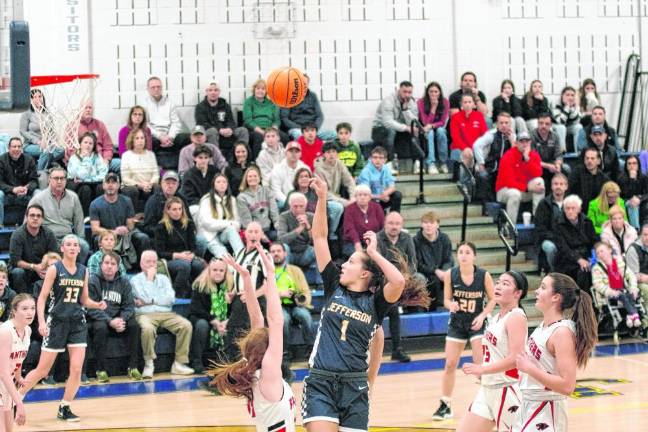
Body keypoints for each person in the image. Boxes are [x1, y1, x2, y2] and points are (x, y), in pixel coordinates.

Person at [302, 176, 407, 432]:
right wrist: (323, 198)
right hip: (321, 383)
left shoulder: (376, 303)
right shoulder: (332, 286)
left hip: (355, 386)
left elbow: (398, 281)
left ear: (364, 274)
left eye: (350, 262)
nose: (344, 265)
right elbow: (319, 237)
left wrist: (373, 253)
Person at [18, 234, 107, 422]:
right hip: (56, 322)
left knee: (76, 369)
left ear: (79, 249)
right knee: (42, 370)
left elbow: (83, 300)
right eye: (69, 244)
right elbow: (41, 298)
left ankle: (64, 406)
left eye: (75, 244)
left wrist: (96, 304)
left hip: (77, 323)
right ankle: (17, 397)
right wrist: (41, 322)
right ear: (62, 248)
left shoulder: (83, 270)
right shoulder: (54, 269)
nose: (73, 247)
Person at [209, 246, 297, 431]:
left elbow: (256, 318)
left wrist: (247, 278)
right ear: (267, 351)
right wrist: (271, 275)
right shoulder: (268, 374)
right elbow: (275, 320)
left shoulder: (255, 372)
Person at [513, 273, 597, 432]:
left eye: (543, 287)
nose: (537, 291)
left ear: (556, 297)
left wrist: (530, 369)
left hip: (547, 409)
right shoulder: (543, 326)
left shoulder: (562, 333)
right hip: (528, 404)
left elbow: (567, 386)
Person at [432, 242, 496, 421]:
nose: (464, 255)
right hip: (457, 323)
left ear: (474, 256)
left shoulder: (484, 275)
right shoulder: (450, 275)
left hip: (477, 323)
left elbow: (492, 300)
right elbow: (445, 299)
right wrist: (450, 304)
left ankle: (489, 402)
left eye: (468, 252)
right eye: (460, 252)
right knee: (450, 363)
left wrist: (483, 316)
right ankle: (445, 404)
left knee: (479, 365)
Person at [458, 271, 528, 432]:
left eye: (506, 284)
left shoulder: (516, 317)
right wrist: (484, 369)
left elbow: (515, 358)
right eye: (498, 282)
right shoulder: (496, 318)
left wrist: (482, 368)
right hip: (488, 388)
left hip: (507, 390)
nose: (499, 286)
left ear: (518, 293)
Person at [131, 250, 194, 378]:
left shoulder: (164, 278)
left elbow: (170, 299)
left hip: (166, 313)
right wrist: (149, 279)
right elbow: (144, 297)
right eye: (148, 261)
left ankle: (179, 363)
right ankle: (149, 363)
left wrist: (151, 301)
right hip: (144, 315)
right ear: (141, 264)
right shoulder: (135, 280)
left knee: (186, 325)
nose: (151, 264)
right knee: (147, 329)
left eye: (154, 262)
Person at [87, 252, 142, 383]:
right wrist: (109, 321)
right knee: (100, 328)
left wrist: (122, 319)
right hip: (100, 318)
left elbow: (129, 306)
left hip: (118, 318)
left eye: (113, 264)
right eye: (106, 263)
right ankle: (101, 370)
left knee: (134, 326)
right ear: (101, 265)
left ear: (118, 267)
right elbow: (90, 307)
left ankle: (133, 367)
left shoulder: (124, 282)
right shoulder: (92, 281)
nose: (109, 266)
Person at [89, 173, 151, 269]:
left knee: (143, 238)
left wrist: (125, 229)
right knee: (99, 239)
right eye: (107, 182)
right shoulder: (95, 204)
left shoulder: (127, 201)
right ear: (103, 185)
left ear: (118, 185)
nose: (110, 185)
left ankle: (142, 269)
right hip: (105, 233)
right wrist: (113, 232)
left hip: (124, 233)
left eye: (113, 182)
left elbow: (130, 226)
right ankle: (102, 267)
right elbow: (95, 228)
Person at [377, 211, 417, 362]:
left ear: (402, 225)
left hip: (401, 280)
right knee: (392, 309)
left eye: (397, 224)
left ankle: (397, 349)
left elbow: (413, 263)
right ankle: (396, 348)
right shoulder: (377, 238)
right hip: (381, 282)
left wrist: (405, 278)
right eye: (391, 223)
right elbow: (374, 264)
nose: (394, 227)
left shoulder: (407, 238)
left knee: (419, 279)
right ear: (385, 224)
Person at [226, 222, 268, 361]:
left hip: (256, 302)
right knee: (233, 336)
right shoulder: (238, 252)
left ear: (261, 235)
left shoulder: (264, 255)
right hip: (239, 301)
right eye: (251, 231)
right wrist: (232, 291)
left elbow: (269, 284)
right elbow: (236, 276)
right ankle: (233, 373)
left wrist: (252, 295)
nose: (254, 234)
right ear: (245, 234)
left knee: (255, 338)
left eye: (257, 232)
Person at [28, 167, 89, 263]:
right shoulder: (38, 198)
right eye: (56, 178)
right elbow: (28, 222)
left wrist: (79, 239)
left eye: (62, 178)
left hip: (67, 236)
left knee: (84, 246)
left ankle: (75, 273)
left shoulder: (73, 197)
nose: (59, 181)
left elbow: (79, 221)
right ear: (49, 180)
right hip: (47, 237)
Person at [269, 242, 314, 362]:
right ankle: (285, 351)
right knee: (284, 319)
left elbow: (305, 291)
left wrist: (300, 300)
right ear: (269, 255)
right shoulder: (267, 272)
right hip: (277, 306)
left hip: (295, 304)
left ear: (285, 253)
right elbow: (265, 294)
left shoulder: (295, 270)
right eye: (273, 252)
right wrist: (280, 294)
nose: (276, 254)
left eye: (278, 251)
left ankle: (311, 349)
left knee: (305, 316)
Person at [153, 197, 205, 298]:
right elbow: (159, 253)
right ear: (167, 211)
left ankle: (197, 294)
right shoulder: (161, 227)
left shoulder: (188, 224)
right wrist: (178, 255)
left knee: (199, 265)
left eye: (180, 209)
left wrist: (192, 254)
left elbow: (193, 246)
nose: (177, 212)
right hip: (170, 259)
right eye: (174, 209)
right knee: (184, 266)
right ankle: (176, 294)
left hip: (186, 256)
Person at [188, 258, 233, 373]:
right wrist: (215, 321)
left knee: (235, 323)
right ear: (209, 271)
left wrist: (226, 321)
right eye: (215, 270)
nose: (218, 272)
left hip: (223, 321)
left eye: (221, 270)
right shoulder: (200, 285)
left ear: (225, 272)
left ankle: (229, 359)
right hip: (203, 319)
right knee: (202, 325)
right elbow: (195, 309)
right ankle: (196, 361)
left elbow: (235, 309)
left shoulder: (231, 287)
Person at [0, 294, 35, 430]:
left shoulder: (28, 330)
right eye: (24, 308)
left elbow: (17, 359)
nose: (30, 312)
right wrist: (19, 403)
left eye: (32, 308)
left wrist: (19, 376)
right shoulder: (5, 332)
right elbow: (3, 372)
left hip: (7, 382)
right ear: (14, 311)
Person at [495, 131, 545, 224]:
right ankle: (510, 227)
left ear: (530, 143)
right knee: (515, 194)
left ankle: (537, 220)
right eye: (521, 141)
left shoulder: (533, 155)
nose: (524, 144)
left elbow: (538, 173)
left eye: (527, 141)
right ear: (516, 143)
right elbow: (509, 182)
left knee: (539, 183)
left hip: (523, 190)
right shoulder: (508, 156)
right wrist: (527, 187)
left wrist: (528, 160)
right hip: (504, 191)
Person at [8, 204, 58, 294]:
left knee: (55, 269)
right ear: (26, 217)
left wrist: (45, 268)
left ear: (42, 219)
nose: (35, 218)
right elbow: (15, 261)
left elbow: (54, 257)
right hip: (24, 271)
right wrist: (34, 267)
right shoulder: (17, 235)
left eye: (38, 216)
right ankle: (23, 301)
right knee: (17, 272)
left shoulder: (49, 234)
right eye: (32, 215)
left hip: (43, 269)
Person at [592, 242, 641, 328]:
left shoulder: (619, 262)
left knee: (631, 295)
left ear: (610, 250)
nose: (600, 254)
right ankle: (634, 315)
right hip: (609, 295)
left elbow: (631, 275)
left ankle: (630, 316)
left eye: (602, 251)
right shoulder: (596, 268)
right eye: (597, 253)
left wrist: (633, 287)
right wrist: (610, 292)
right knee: (622, 296)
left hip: (623, 290)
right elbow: (597, 284)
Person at [195, 82, 250, 160]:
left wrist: (230, 129)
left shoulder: (225, 105)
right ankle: (216, 160)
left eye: (216, 90)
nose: (213, 92)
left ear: (219, 92)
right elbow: (202, 124)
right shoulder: (200, 107)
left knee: (243, 130)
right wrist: (219, 130)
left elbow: (231, 121)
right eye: (210, 90)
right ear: (206, 92)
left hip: (226, 132)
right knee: (212, 131)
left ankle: (242, 158)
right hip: (211, 133)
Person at [554, 195, 597, 293]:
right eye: (567, 208)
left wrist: (594, 257)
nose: (570, 211)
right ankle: (581, 301)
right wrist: (579, 259)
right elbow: (563, 248)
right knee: (583, 271)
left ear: (579, 209)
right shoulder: (558, 224)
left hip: (586, 256)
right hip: (567, 259)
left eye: (573, 208)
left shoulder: (587, 222)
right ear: (563, 210)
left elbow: (594, 240)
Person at [285, 167, 343, 239]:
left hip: (317, 225)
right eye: (301, 177)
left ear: (310, 179)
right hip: (298, 225)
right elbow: (287, 213)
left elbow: (325, 210)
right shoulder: (292, 194)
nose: (304, 179)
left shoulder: (316, 192)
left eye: (306, 176)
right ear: (297, 180)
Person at [141, 76, 190, 160]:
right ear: (148, 89)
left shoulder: (170, 103)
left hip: (169, 135)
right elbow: (145, 124)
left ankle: (181, 167)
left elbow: (176, 123)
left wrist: (170, 137)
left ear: (162, 88)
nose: (156, 89)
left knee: (187, 137)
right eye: (153, 87)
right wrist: (160, 136)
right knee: (147, 139)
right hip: (155, 136)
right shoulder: (144, 104)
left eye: (158, 87)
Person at [414, 211, 453, 311]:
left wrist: (444, 272)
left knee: (452, 276)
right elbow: (417, 264)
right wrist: (435, 271)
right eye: (425, 223)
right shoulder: (415, 240)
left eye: (432, 223)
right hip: (424, 273)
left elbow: (449, 259)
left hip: (442, 273)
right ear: (421, 224)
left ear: (437, 225)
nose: (428, 226)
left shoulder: (444, 239)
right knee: (431, 280)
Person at [372, 80, 419, 163]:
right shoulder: (388, 100)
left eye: (409, 92)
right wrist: (406, 128)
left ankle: (417, 163)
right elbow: (388, 123)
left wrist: (405, 110)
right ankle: (389, 163)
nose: (407, 95)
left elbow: (413, 123)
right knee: (391, 131)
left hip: (398, 129)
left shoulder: (411, 102)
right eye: (404, 92)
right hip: (379, 129)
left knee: (415, 131)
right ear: (399, 90)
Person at [197, 174, 243, 258]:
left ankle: (242, 256)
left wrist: (229, 225)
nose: (222, 184)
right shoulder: (206, 200)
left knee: (231, 229)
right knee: (223, 254)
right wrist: (228, 223)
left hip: (224, 234)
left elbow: (237, 223)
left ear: (227, 185)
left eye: (224, 182)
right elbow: (207, 223)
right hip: (210, 235)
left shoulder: (232, 200)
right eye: (218, 182)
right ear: (214, 185)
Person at [473, 112, 515, 200]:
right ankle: (485, 205)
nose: (504, 125)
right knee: (483, 176)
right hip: (489, 166)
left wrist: (511, 141)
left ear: (510, 124)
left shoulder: (513, 136)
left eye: (506, 123)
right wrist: (481, 164)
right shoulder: (491, 135)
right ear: (497, 124)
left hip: (504, 170)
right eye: (501, 123)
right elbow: (476, 145)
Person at [20, 89, 65, 171]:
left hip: (46, 144)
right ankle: (38, 174)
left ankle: (41, 164)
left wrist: (51, 141)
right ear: (31, 100)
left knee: (61, 150)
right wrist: (37, 141)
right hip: (30, 145)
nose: (38, 98)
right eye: (35, 97)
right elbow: (22, 131)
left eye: (40, 96)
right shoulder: (27, 113)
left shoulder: (47, 112)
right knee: (46, 151)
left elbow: (51, 131)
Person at [280, 74, 335, 141]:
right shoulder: (289, 97)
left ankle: (315, 144)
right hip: (297, 129)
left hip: (312, 128)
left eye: (305, 83)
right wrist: (302, 129)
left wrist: (314, 129)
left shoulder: (313, 96)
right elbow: (284, 118)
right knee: (299, 135)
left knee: (333, 134)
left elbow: (320, 116)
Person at [66, 132, 108, 216]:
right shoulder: (74, 158)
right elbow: (81, 175)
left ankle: (100, 215)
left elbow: (103, 174)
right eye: (85, 142)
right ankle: (86, 216)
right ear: (80, 144)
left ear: (93, 146)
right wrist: (86, 159)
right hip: (78, 185)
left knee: (101, 188)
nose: (88, 145)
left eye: (90, 143)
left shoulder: (97, 157)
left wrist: (89, 180)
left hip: (93, 182)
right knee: (86, 189)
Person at [70, 102, 119, 172]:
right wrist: (82, 161)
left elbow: (108, 146)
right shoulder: (72, 126)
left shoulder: (100, 125)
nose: (88, 110)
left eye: (90, 108)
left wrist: (106, 160)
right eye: (85, 108)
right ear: (80, 110)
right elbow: (70, 150)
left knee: (120, 164)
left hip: (101, 161)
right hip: (81, 163)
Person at [0, 137, 38, 227]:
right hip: (7, 193)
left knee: (38, 193)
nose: (17, 149)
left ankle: (33, 225)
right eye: (14, 146)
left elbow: (34, 181)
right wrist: (13, 189)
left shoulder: (29, 160)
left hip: (25, 192)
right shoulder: (1, 160)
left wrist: (27, 188)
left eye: (19, 147)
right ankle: (0, 224)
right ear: (9, 148)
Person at [243, 79, 288, 153]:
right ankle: (256, 162)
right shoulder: (248, 102)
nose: (260, 91)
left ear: (266, 91)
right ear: (254, 90)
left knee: (284, 137)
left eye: (263, 89)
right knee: (259, 138)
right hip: (254, 129)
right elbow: (248, 120)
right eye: (258, 88)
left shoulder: (271, 103)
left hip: (270, 129)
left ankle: (283, 160)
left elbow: (276, 120)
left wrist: (273, 131)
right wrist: (262, 132)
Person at [142, 170, 191, 237]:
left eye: (174, 183)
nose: (170, 186)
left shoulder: (182, 199)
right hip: (161, 237)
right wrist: (164, 231)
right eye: (168, 183)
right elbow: (147, 227)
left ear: (178, 185)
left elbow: (189, 220)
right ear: (161, 183)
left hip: (181, 235)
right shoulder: (153, 201)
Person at [534, 173, 568, 272]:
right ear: (552, 186)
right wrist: (556, 238)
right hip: (548, 239)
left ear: (566, 186)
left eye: (561, 184)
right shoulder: (544, 204)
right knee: (550, 248)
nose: (558, 186)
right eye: (556, 184)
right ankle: (554, 272)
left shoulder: (571, 203)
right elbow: (540, 228)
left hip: (567, 238)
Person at [121, 128, 160, 212]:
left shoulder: (151, 155)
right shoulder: (126, 156)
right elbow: (125, 178)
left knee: (157, 188)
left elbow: (156, 174)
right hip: (132, 186)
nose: (140, 141)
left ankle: (154, 216)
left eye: (142, 138)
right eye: (137, 138)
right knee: (132, 190)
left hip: (148, 185)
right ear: (132, 140)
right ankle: (133, 217)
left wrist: (150, 184)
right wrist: (140, 185)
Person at [237, 166, 280, 241]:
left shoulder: (267, 191)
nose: (252, 178)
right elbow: (247, 222)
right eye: (250, 176)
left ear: (259, 178)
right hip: (253, 232)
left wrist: (279, 228)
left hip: (268, 229)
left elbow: (274, 213)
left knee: (278, 236)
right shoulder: (242, 197)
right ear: (246, 179)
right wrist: (259, 234)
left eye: (255, 176)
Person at [342, 184, 385, 257]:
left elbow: (383, 225)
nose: (362, 197)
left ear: (370, 197)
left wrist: (376, 241)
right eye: (359, 195)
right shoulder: (349, 209)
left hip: (374, 240)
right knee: (360, 257)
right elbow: (350, 229)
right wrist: (357, 243)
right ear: (355, 197)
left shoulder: (376, 207)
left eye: (365, 195)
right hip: (353, 242)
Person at [417, 81, 450, 174]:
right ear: (427, 92)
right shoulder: (421, 102)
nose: (433, 94)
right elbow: (425, 122)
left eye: (436, 91)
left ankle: (443, 162)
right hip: (425, 128)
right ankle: (431, 163)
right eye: (431, 91)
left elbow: (443, 122)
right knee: (430, 133)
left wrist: (432, 125)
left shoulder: (445, 102)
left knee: (441, 131)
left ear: (440, 92)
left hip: (437, 127)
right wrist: (433, 108)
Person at [449, 93, 488, 171]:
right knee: (467, 155)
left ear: (474, 104)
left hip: (476, 147)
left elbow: (485, 135)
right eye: (465, 102)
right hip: (459, 148)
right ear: (461, 104)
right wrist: (465, 148)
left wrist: (476, 148)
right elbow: (455, 137)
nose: (467, 104)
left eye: (469, 102)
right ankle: (464, 181)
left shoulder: (479, 116)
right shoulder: (455, 117)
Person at [357, 146, 402, 212]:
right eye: (375, 157)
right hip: (370, 200)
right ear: (371, 158)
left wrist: (385, 193)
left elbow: (392, 187)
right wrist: (380, 197)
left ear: (385, 160)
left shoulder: (386, 168)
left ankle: (394, 217)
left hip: (382, 198)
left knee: (397, 195)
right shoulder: (366, 171)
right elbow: (364, 194)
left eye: (381, 158)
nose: (377, 160)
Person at [623, 224, 648, 337]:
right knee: (646, 289)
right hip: (636, 284)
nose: (647, 237)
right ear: (640, 235)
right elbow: (634, 275)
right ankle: (645, 325)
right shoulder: (633, 249)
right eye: (645, 234)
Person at [180, 145, 219, 217]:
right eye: (200, 157)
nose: (203, 160)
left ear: (209, 159)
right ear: (195, 158)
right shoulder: (188, 175)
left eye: (206, 158)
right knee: (196, 211)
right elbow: (188, 196)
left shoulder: (215, 172)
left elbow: (219, 190)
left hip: (214, 203)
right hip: (196, 205)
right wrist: (204, 204)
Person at [314, 141, 356, 207]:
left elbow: (349, 181)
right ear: (324, 154)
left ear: (337, 153)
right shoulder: (318, 169)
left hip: (338, 197)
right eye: (328, 152)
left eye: (333, 151)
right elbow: (324, 192)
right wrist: (345, 202)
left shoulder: (340, 164)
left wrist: (353, 197)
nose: (331, 154)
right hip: (324, 199)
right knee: (338, 207)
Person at [530, 113, 566, 190]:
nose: (544, 126)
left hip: (552, 165)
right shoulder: (531, 136)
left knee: (566, 169)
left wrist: (558, 164)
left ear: (551, 125)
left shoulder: (555, 136)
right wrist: (548, 166)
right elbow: (532, 160)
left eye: (547, 124)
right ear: (537, 123)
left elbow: (558, 155)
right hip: (537, 166)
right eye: (541, 123)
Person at [269, 141, 309, 207]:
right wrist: (290, 202)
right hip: (284, 201)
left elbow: (309, 189)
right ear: (285, 153)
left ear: (300, 154)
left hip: (303, 201)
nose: (294, 154)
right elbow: (276, 191)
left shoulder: (305, 168)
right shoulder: (277, 169)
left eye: (296, 152)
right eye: (291, 151)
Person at [617, 154, 648, 229]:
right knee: (632, 205)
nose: (632, 166)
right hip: (625, 201)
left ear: (638, 165)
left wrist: (639, 199)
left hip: (641, 200)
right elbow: (627, 195)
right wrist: (632, 180)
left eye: (634, 163)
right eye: (629, 163)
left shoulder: (643, 177)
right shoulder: (621, 178)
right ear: (626, 166)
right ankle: (636, 231)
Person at [551, 86, 583, 153]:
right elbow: (560, 121)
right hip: (555, 126)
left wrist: (574, 107)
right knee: (562, 128)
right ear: (562, 95)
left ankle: (579, 152)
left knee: (578, 127)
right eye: (567, 95)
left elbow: (576, 121)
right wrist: (567, 107)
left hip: (567, 126)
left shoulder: (575, 104)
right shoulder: (555, 104)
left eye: (572, 95)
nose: (570, 97)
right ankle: (562, 152)